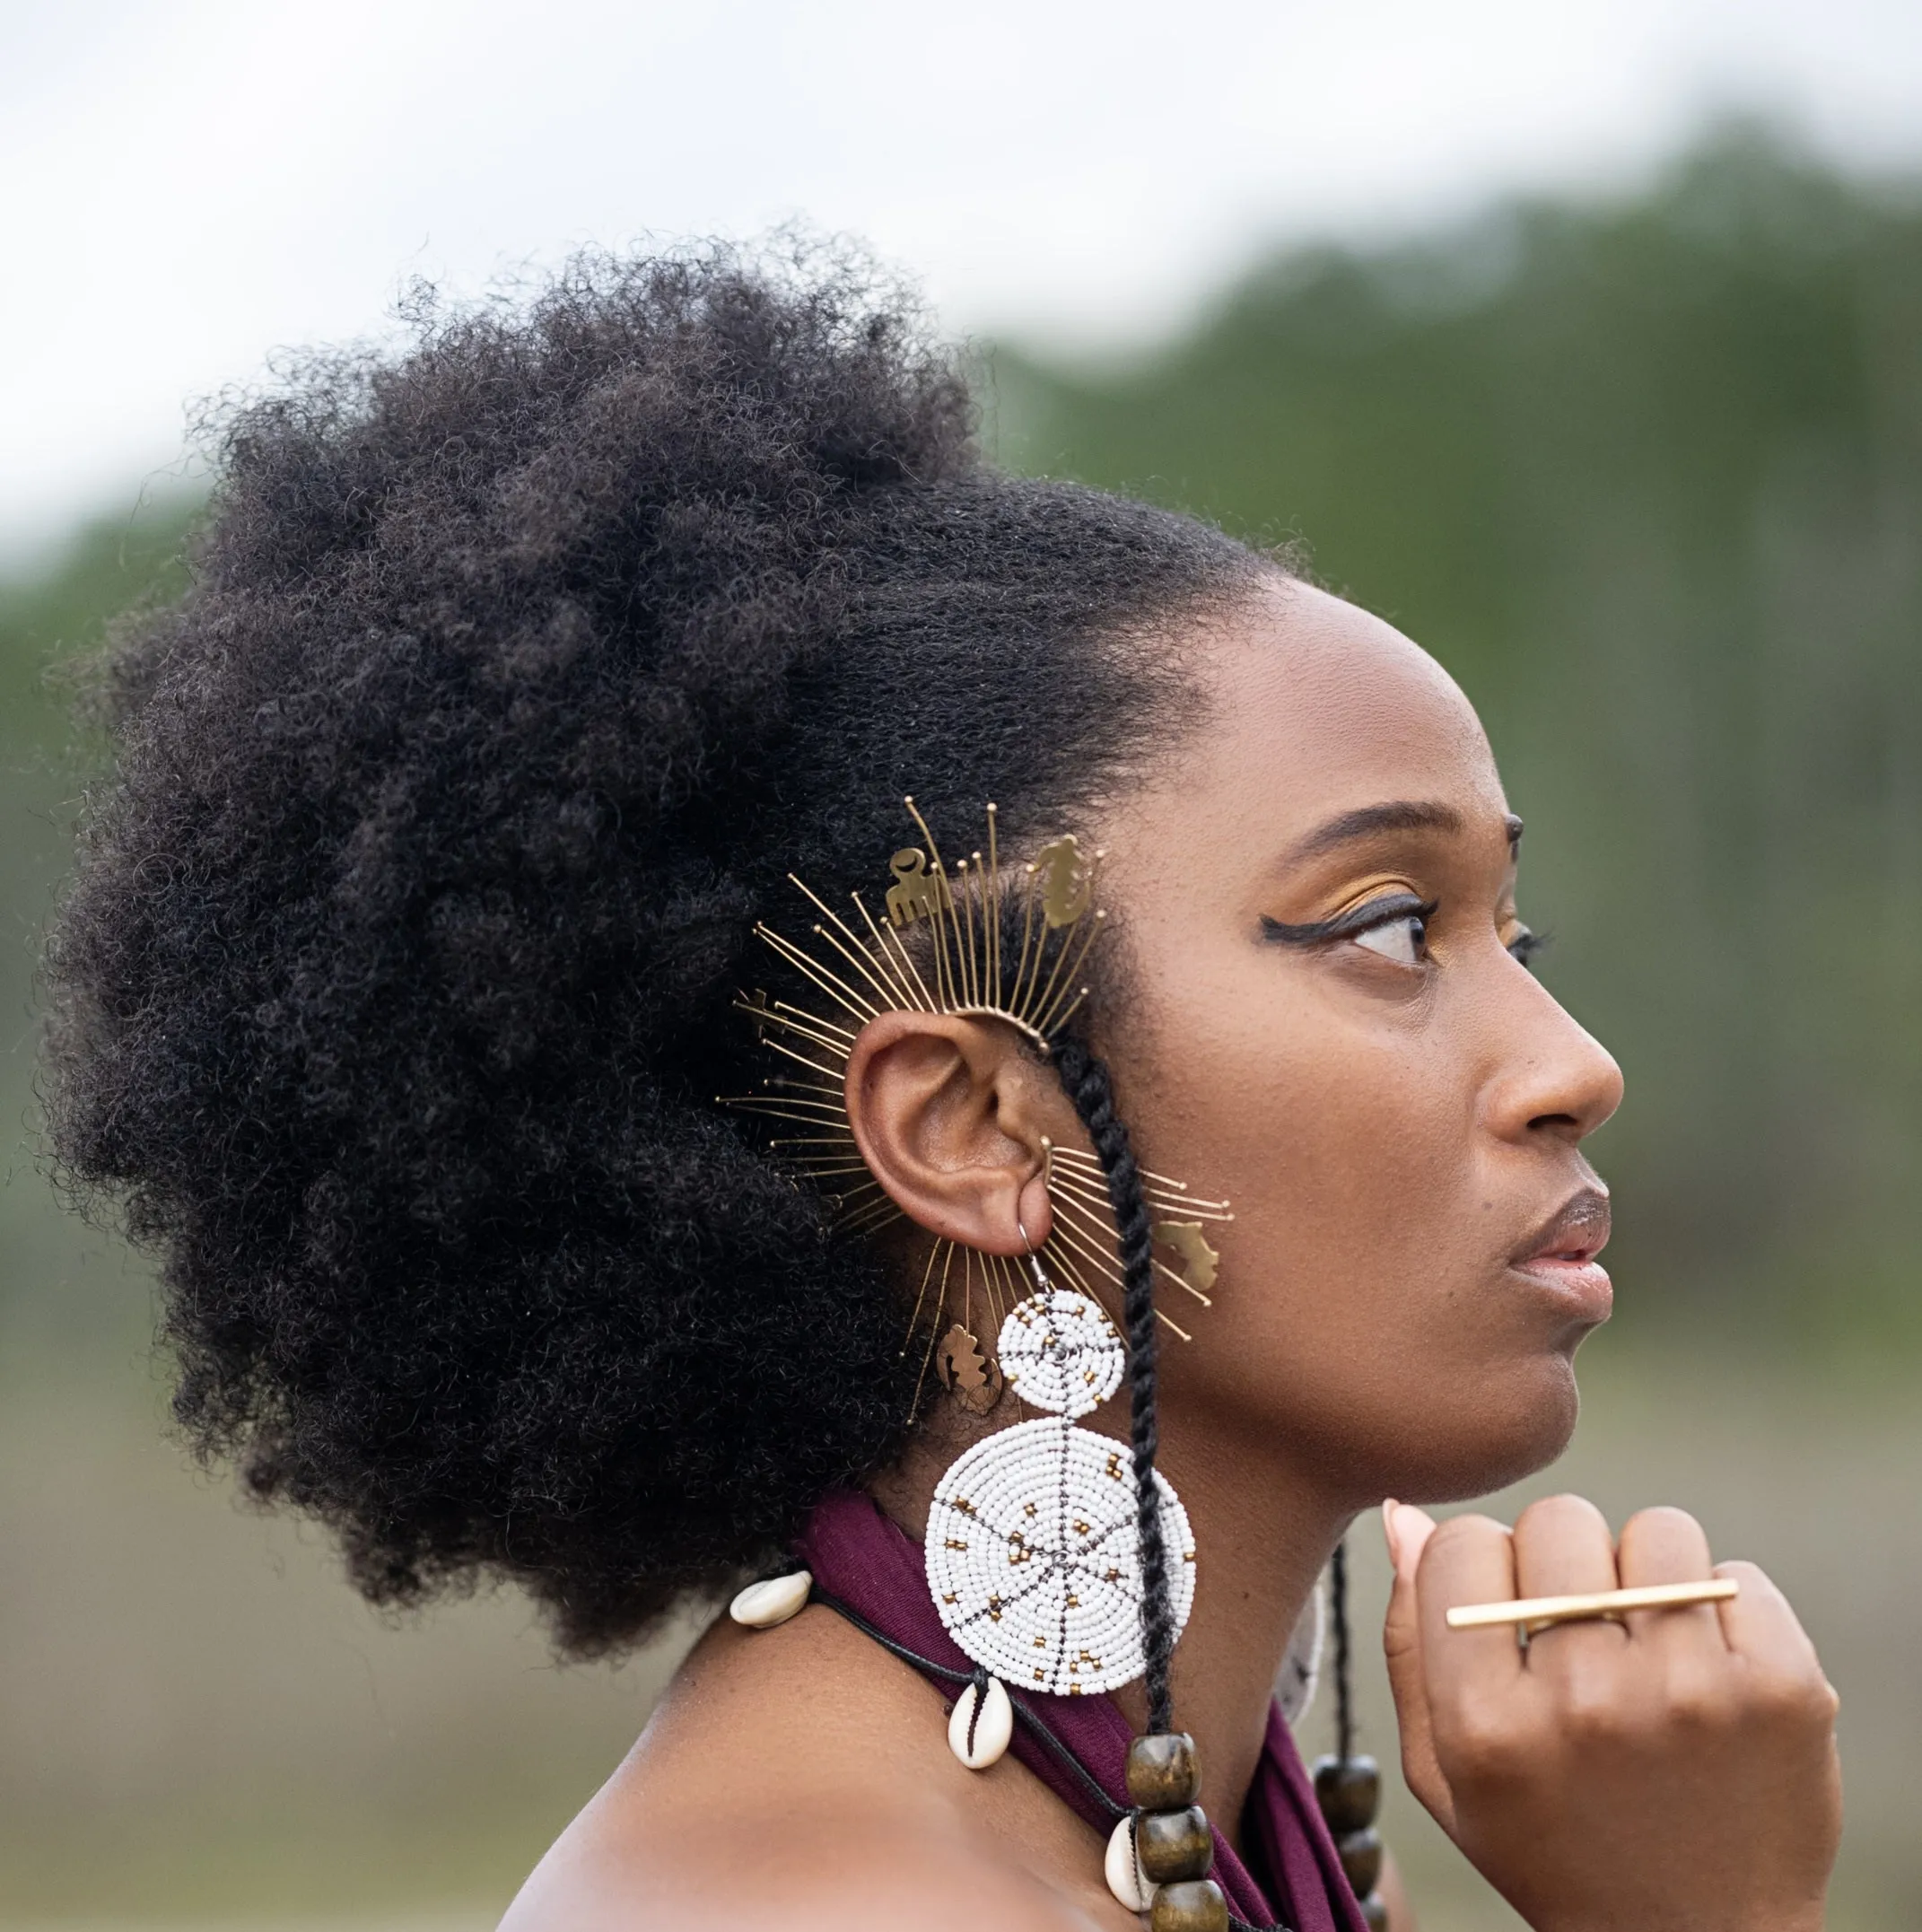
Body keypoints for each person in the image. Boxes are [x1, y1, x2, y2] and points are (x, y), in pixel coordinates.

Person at [42, 245, 1841, 1932]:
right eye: (1386, 925)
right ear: (978, 1126)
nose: (1572, 1062)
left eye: (1514, 933)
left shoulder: (1111, 1839)